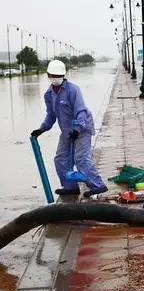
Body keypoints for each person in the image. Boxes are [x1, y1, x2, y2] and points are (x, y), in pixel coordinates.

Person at [30, 60, 108, 198]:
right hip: (67, 130)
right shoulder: (48, 94)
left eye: (58, 75)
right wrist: (42, 129)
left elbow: (81, 111)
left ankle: (97, 185)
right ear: (48, 75)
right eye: (53, 75)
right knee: (60, 159)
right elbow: (51, 115)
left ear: (64, 75)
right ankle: (70, 187)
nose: (56, 78)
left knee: (81, 158)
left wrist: (77, 129)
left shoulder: (73, 89)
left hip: (82, 128)